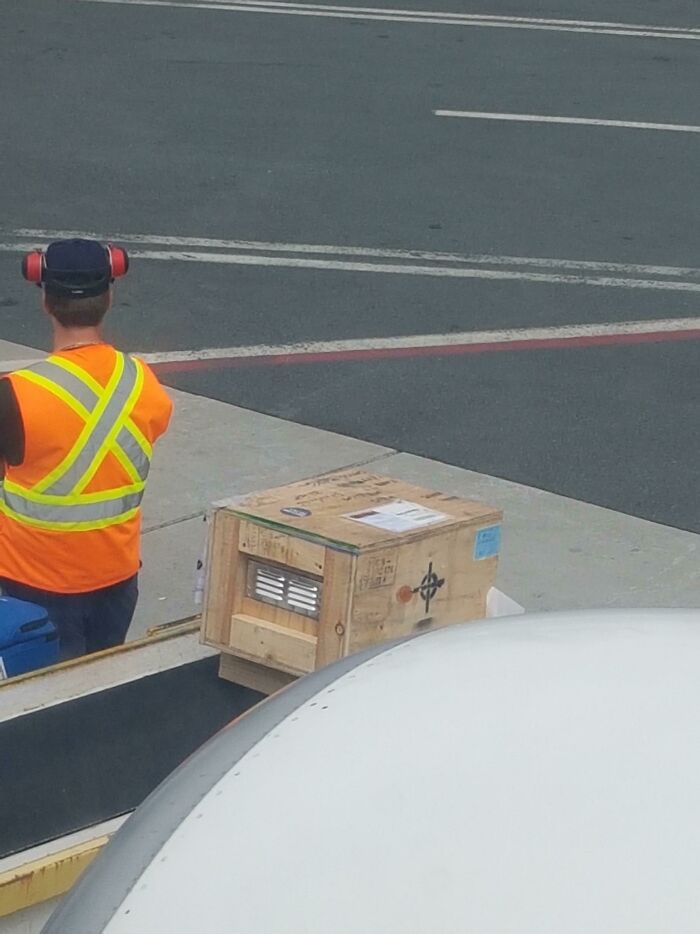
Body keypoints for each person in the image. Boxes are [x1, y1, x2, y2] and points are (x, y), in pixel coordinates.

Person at [0, 238, 173, 660]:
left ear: (46, 301)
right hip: (116, 582)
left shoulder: (15, 396)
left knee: (43, 704)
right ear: (109, 298)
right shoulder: (142, 383)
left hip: (31, 588)